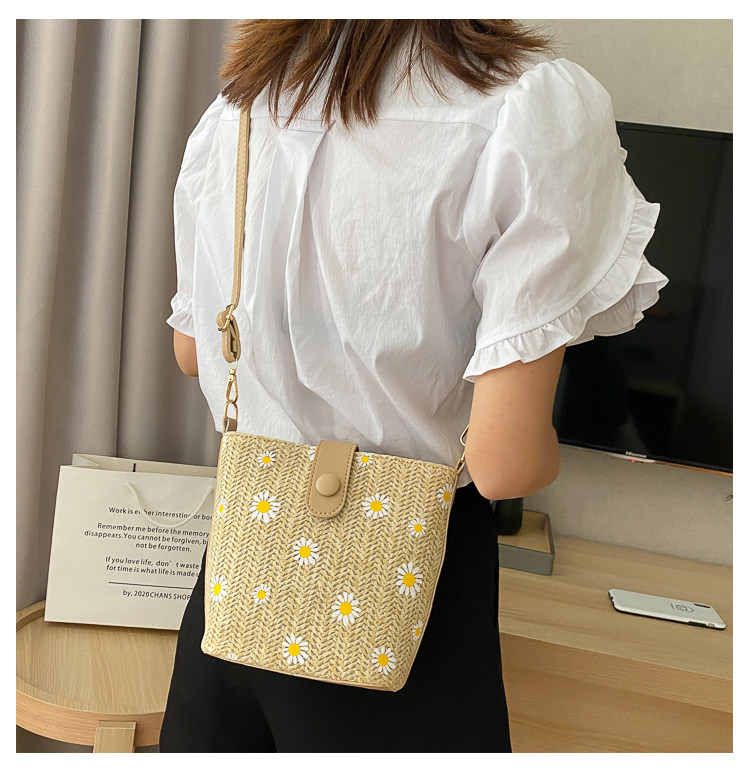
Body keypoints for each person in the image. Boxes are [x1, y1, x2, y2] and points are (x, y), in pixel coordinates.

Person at [159, 20, 669, 753]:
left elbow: (191, 350)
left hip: (241, 579)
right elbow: (505, 467)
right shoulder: (524, 105)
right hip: (405, 596)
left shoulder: (247, 102)